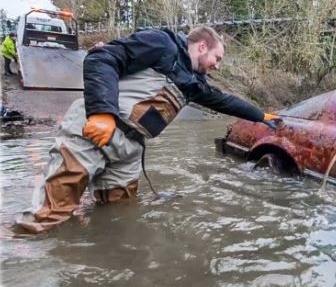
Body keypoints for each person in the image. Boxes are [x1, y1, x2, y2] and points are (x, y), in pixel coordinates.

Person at [16, 26, 280, 233]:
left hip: (129, 148)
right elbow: (101, 58)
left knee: (119, 213)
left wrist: (260, 115)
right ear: (202, 46)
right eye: (217, 57)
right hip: (93, 130)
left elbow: (224, 101)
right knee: (49, 214)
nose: (218, 65)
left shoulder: (194, 83)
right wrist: (102, 113)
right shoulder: (161, 43)